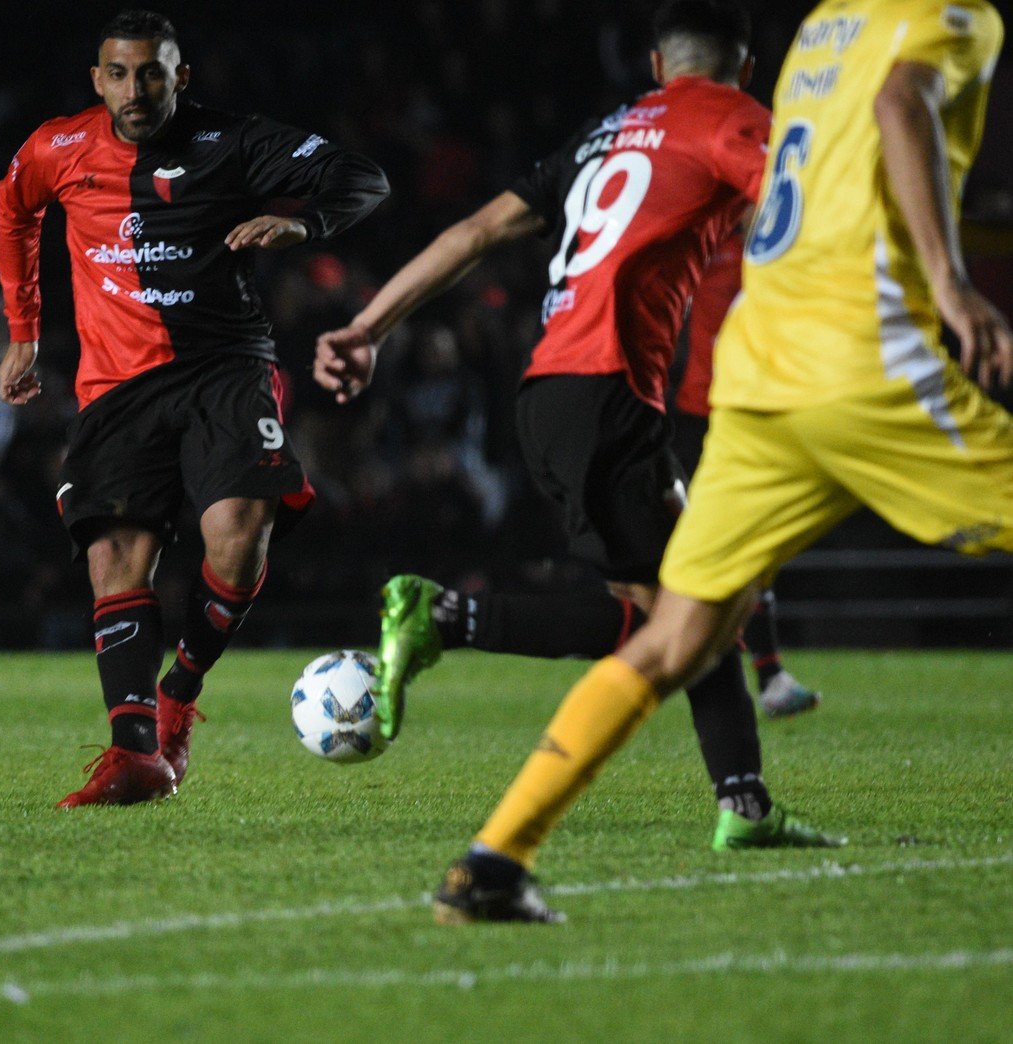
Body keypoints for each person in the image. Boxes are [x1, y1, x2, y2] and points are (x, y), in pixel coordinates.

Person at [408, 0, 1009, 924]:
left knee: (673, 639)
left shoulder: (824, 26)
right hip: (863, 357)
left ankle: (493, 861)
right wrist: (952, 282)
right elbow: (899, 104)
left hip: (758, 372)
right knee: (663, 624)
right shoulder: (948, 18)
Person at [316, 0, 842, 922]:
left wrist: (367, 325)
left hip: (555, 390)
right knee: (677, 614)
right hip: (607, 394)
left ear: (652, 60)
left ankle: (744, 806)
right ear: (746, 65)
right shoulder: (729, 116)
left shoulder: (604, 134)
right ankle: (447, 617)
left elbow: (473, 232)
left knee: (696, 596)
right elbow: (806, 207)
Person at [0, 10, 388, 807]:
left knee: (236, 537)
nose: (136, 89)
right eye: (120, 73)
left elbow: (362, 178)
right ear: (97, 80)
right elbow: (12, 210)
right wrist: (23, 331)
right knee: (114, 560)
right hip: (116, 385)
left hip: (224, 368)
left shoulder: (233, 141)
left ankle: (178, 696)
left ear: (181, 77)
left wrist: (300, 221)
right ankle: (133, 752)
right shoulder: (57, 147)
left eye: (152, 73)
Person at [672, 229, 819, 718]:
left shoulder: (775, 245)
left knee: (746, 547)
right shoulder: (708, 241)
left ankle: (763, 674)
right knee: (710, 551)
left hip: (747, 408)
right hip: (700, 413)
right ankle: (742, 671)